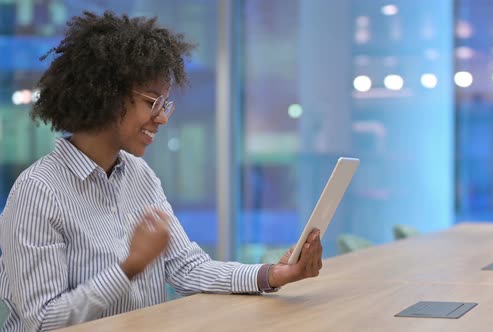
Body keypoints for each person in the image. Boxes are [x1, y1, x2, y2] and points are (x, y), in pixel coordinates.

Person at [0, 11, 323, 331]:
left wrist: (273, 275)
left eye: (165, 104)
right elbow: (42, 320)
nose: (162, 118)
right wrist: (129, 267)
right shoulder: (38, 191)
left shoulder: (139, 175)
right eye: (152, 102)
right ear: (105, 92)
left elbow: (186, 268)